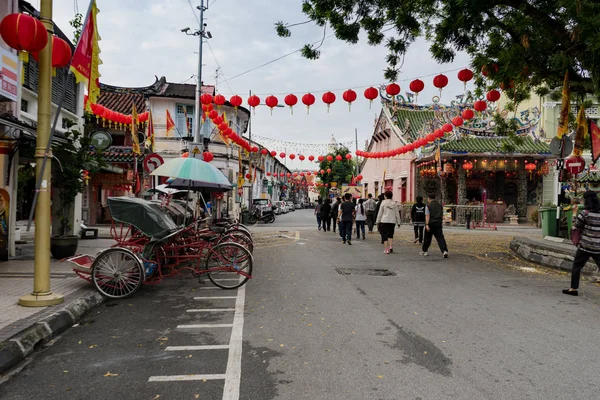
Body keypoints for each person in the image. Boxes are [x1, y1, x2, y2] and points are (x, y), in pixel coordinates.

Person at [563, 191, 600, 296]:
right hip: (598, 246)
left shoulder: (585, 213)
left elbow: (576, 226)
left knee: (577, 265)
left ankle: (573, 289)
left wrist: (574, 214)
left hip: (585, 245)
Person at [420, 193, 449, 258]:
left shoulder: (428, 206)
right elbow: (442, 214)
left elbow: (427, 215)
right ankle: (444, 251)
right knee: (440, 238)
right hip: (438, 223)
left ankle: (425, 250)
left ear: (429, 199)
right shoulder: (440, 205)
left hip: (431, 223)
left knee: (427, 237)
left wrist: (427, 224)